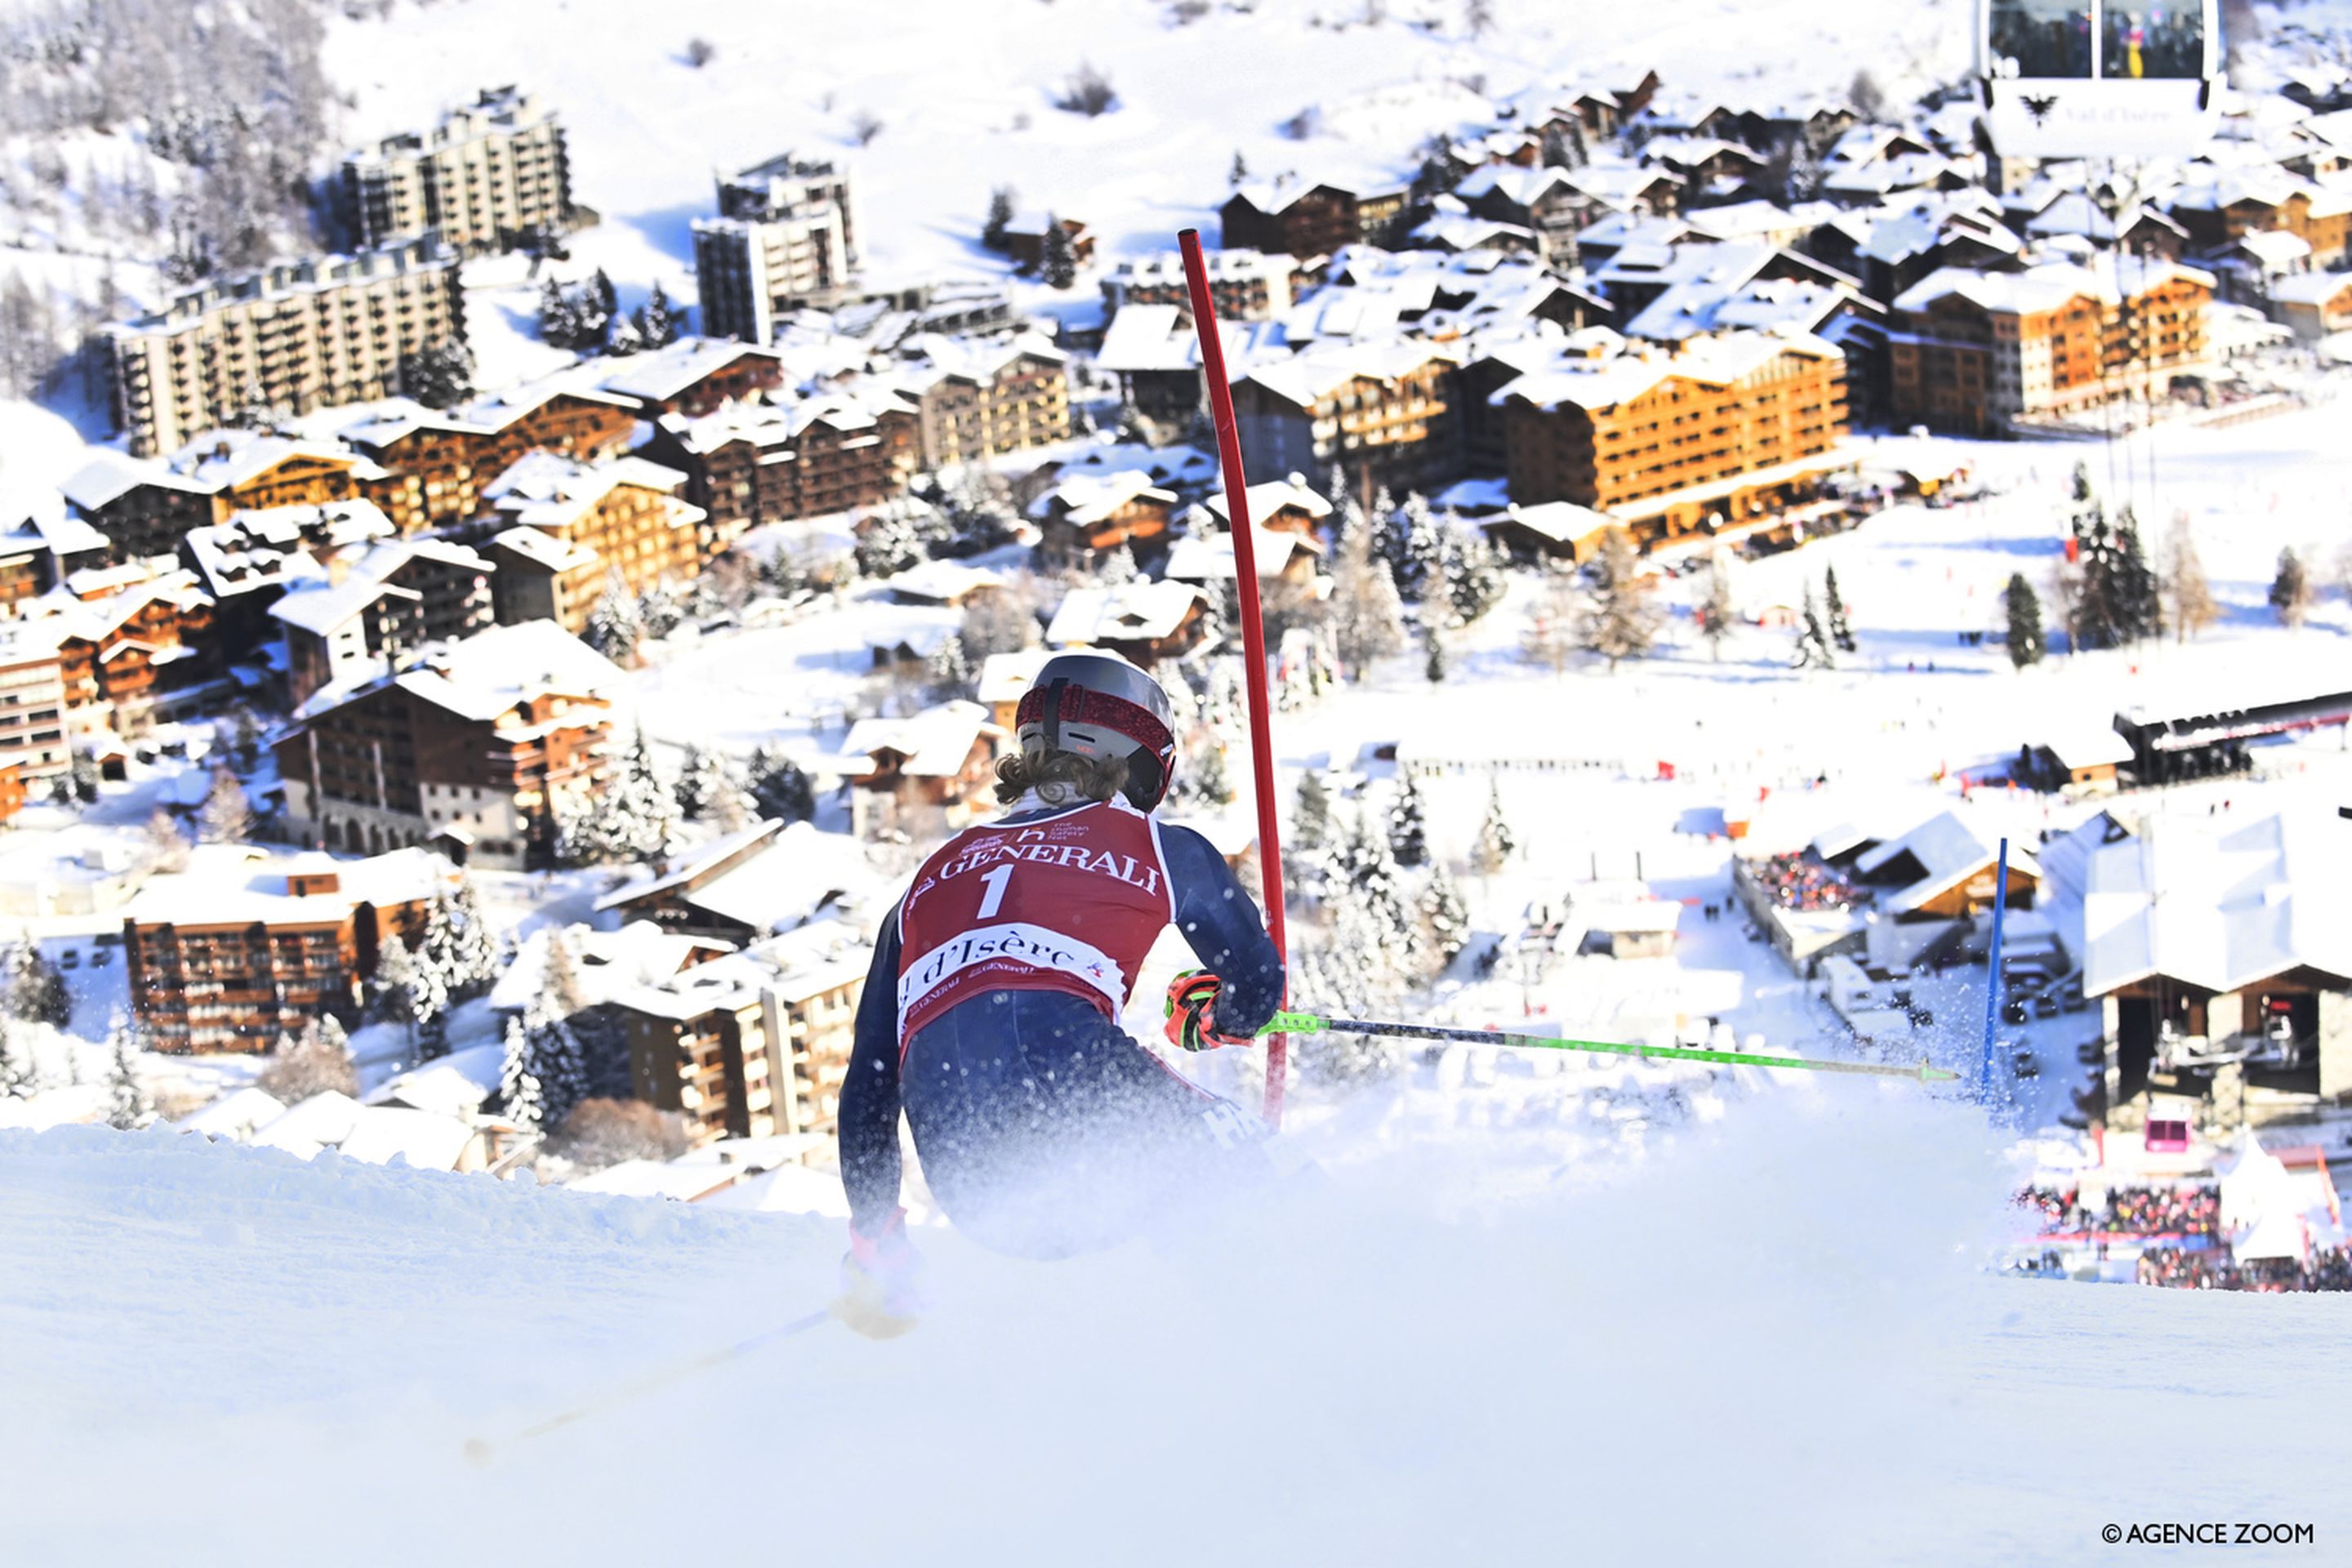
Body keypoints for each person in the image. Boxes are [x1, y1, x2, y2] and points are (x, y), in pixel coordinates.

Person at [834, 652, 1286, 1330]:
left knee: (1192, 1203)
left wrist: (876, 1243)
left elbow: (869, 1082)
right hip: (1078, 1101)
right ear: (1137, 751)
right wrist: (1213, 1013)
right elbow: (1258, 987)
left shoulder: (927, 880)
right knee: (1264, 1178)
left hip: (977, 1190)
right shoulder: (1163, 846)